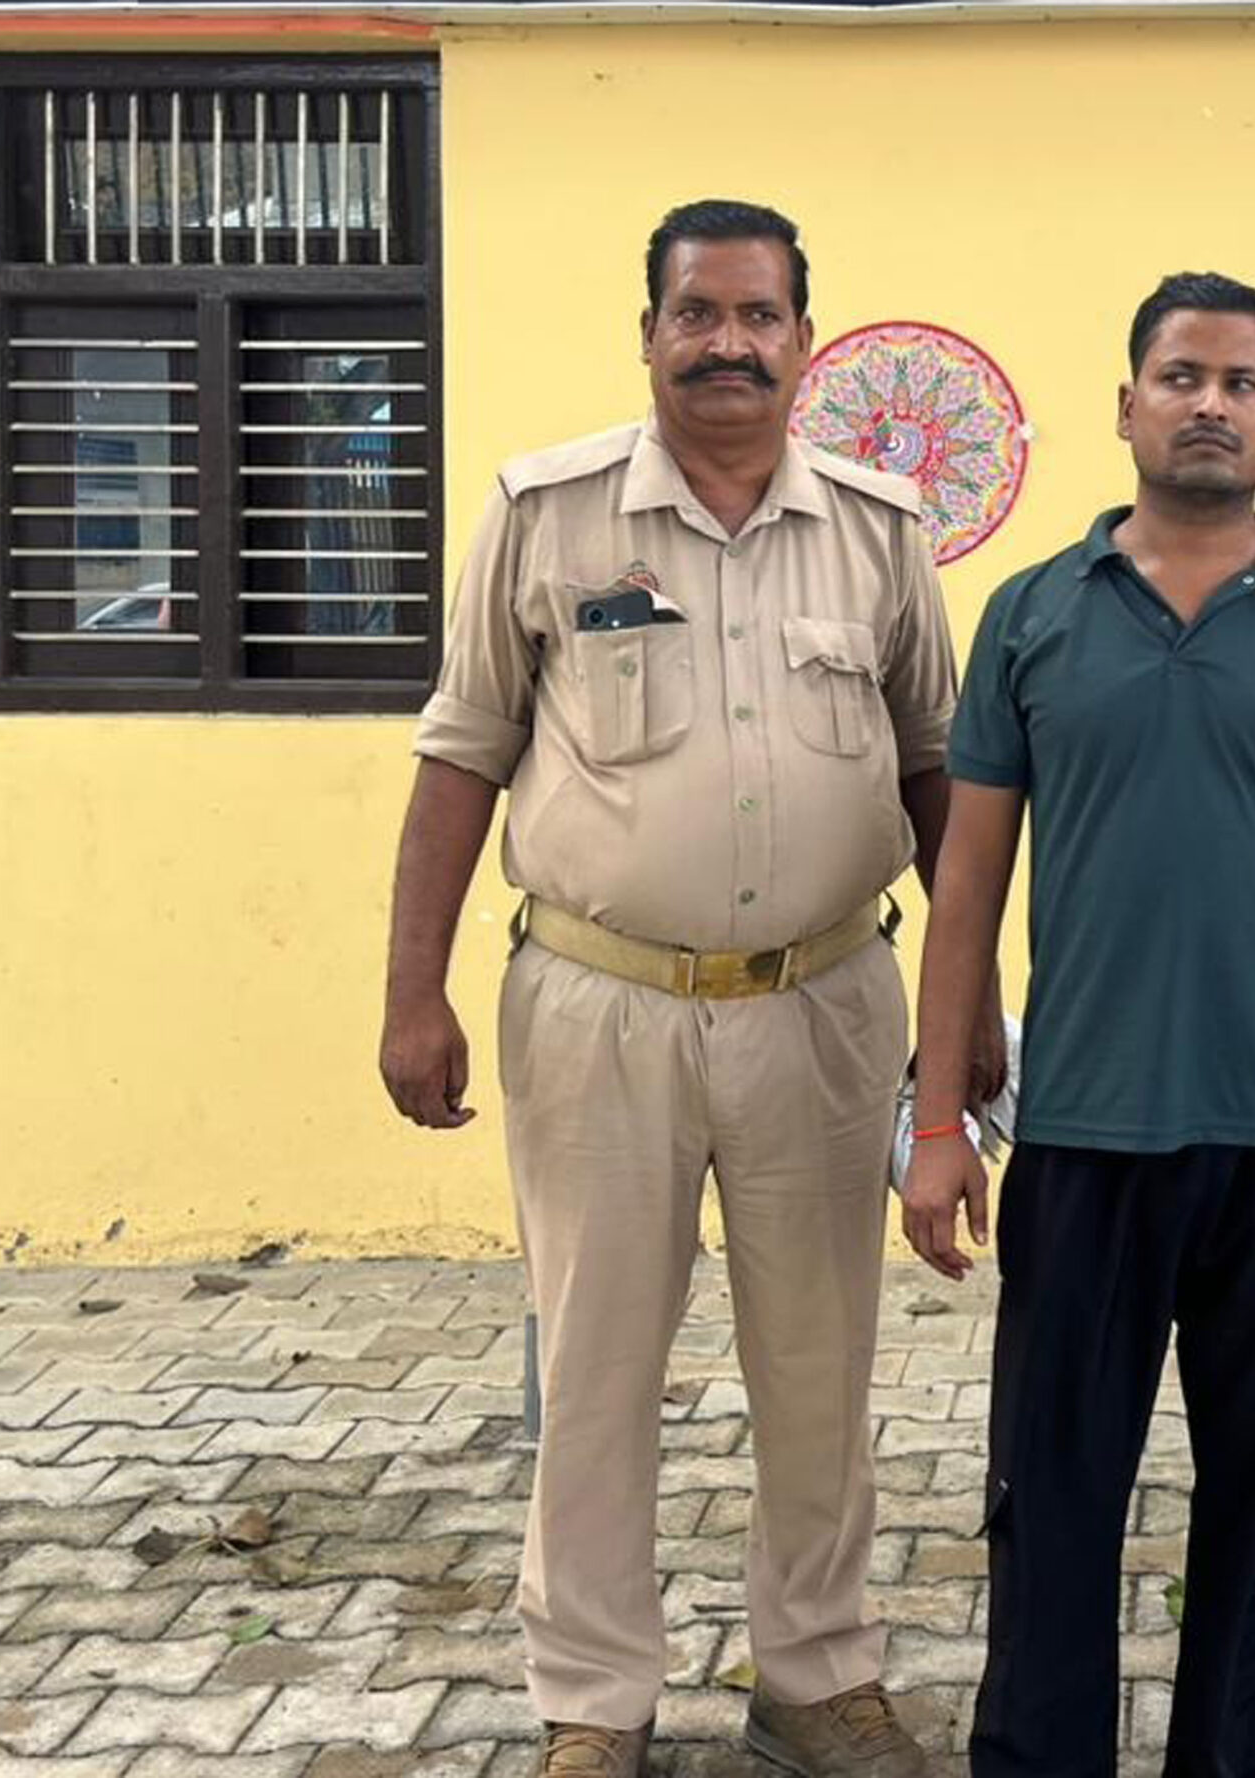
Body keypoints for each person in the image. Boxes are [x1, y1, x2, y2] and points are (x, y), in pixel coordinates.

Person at [378, 198, 998, 1778]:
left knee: (819, 1360)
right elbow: (462, 755)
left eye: (758, 315)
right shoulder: (546, 513)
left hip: (827, 1003)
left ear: (804, 338)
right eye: (697, 314)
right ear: (648, 332)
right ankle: (595, 1700)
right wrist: (412, 991)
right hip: (600, 1003)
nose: (728, 344)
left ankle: (818, 1676)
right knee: (593, 1363)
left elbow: (938, 770)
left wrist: (969, 1002)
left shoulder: (879, 529)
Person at [901, 271, 1255, 1778]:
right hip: (1083, 1132)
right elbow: (964, 890)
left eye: (1241, 382)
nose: (1211, 404)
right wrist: (936, 1123)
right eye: (1182, 376)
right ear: (1127, 405)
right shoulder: (1031, 614)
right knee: (1051, 1490)